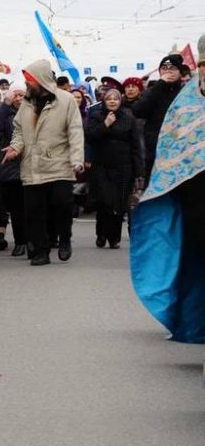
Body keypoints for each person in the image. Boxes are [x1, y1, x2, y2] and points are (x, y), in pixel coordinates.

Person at [130, 68, 204, 343]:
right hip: (194, 201)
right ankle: (194, 324)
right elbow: (170, 153)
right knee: (196, 265)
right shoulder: (184, 108)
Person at [2, 59, 85, 266]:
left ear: (41, 80)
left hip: (60, 163)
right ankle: (41, 251)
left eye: (30, 80)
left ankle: (64, 238)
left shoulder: (66, 100)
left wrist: (77, 159)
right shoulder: (27, 102)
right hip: (32, 165)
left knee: (62, 205)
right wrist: (15, 147)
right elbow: (19, 130)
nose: (27, 84)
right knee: (35, 211)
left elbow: (75, 131)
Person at [85, 89, 143, 250]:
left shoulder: (128, 117)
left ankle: (114, 237)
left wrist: (139, 171)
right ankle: (101, 233)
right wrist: (105, 124)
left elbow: (136, 145)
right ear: (104, 101)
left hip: (124, 166)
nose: (112, 101)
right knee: (104, 201)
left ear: (120, 101)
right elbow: (90, 136)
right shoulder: (96, 116)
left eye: (115, 99)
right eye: (109, 99)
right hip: (102, 166)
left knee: (119, 203)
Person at [134, 54, 188, 182]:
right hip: (155, 150)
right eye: (164, 68)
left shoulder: (185, 93)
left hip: (180, 149)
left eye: (173, 68)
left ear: (180, 72)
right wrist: (160, 85)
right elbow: (138, 111)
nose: (168, 71)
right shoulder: (153, 91)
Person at [0, 85, 27, 257]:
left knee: (34, 206)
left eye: (22, 95)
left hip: (33, 165)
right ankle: (20, 241)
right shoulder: (6, 114)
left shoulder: (35, 111)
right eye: (16, 95)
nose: (18, 99)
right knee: (17, 208)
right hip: (12, 167)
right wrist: (5, 104)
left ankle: (34, 240)